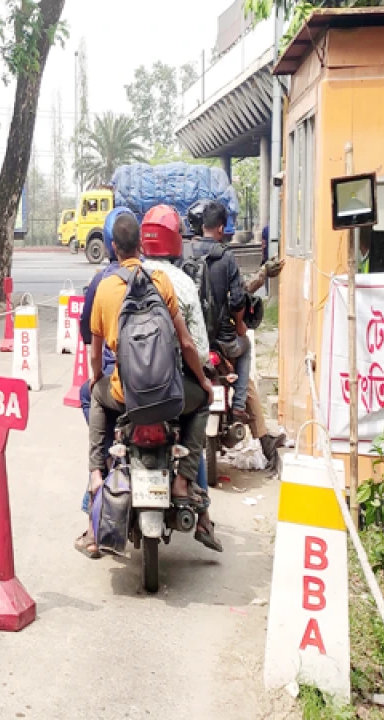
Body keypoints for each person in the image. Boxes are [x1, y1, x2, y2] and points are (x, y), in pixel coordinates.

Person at [78, 212, 216, 558]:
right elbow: (187, 343)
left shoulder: (105, 287)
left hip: (126, 397)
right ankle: (184, 479)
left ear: (112, 246)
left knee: (94, 397)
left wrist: (97, 378)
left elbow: (96, 354)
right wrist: (203, 381)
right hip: (169, 396)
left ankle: (97, 475)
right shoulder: (163, 281)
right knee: (201, 403)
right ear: (140, 245)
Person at [140, 205, 218, 548]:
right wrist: (204, 381)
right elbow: (197, 349)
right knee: (200, 412)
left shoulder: (125, 276)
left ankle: (94, 501)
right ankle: (192, 496)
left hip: (131, 391)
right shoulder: (183, 284)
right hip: (174, 391)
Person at [189, 201, 285, 467]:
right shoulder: (226, 257)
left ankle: (264, 440)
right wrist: (241, 325)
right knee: (246, 364)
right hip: (224, 341)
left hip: (193, 344)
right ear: (220, 228)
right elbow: (239, 297)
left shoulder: (187, 257)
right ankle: (243, 410)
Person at [77, 206, 131, 422]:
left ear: (111, 245)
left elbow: (89, 334)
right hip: (155, 374)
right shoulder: (156, 276)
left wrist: (96, 375)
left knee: (86, 394)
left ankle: (106, 454)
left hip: (113, 372)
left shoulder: (101, 282)